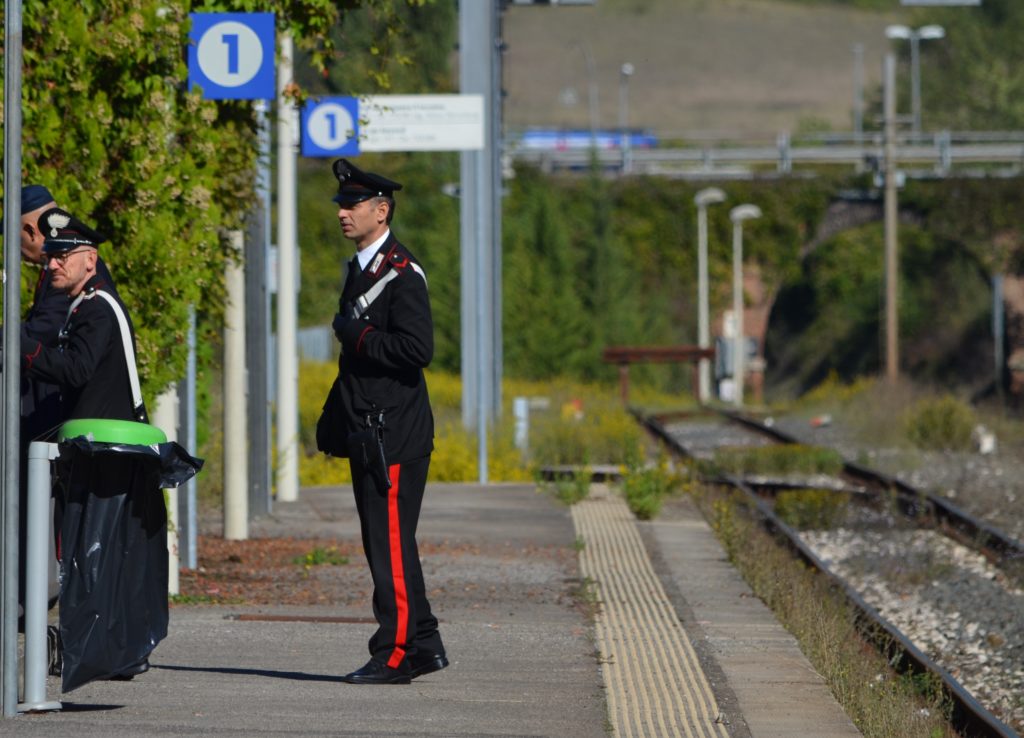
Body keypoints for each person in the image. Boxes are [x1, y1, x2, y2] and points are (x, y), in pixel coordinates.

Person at [317, 158, 447, 685]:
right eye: (341, 205)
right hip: (370, 428)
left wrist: (359, 336)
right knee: (389, 543)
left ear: (382, 210)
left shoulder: (401, 273)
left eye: (353, 204)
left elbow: (418, 349)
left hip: (394, 432)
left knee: (388, 544)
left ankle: (395, 654)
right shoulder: (362, 267)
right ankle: (425, 643)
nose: (343, 213)